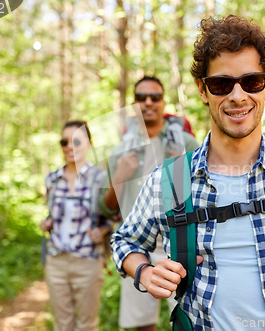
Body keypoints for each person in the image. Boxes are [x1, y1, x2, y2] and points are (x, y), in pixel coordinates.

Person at [112, 16, 265, 331]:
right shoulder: (170, 178)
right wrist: (145, 272)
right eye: (222, 84)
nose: (237, 96)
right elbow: (124, 241)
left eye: (251, 81)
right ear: (203, 90)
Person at [98, 76, 199, 331]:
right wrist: (119, 176)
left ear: (164, 102)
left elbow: (203, 200)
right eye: (141, 98)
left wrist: (181, 168)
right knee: (143, 325)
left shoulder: (185, 144)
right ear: (134, 104)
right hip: (137, 249)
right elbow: (107, 208)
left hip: (181, 244)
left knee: (192, 321)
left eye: (155, 97)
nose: (148, 103)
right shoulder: (121, 150)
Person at [40, 120, 113, 331]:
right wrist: (47, 223)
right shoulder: (52, 179)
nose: (70, 147)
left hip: (88, 261)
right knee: (62, 324)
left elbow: (113, 216)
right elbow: (53, 214)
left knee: (87, 325)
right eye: (65, 142)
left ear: (89, 144)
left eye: (76, 141)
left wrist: (103, 230)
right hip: (56, 261)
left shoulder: (101, 178)